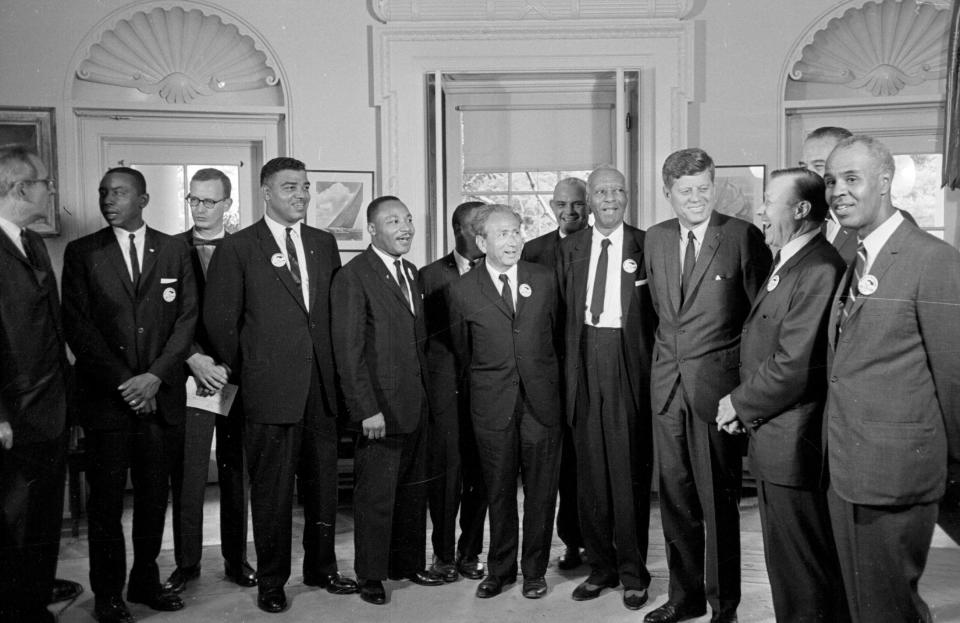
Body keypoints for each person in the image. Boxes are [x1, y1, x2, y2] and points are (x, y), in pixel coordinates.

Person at [204, 157, 356, 614]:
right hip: (269, 389)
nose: (301, 195)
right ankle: (272, 580)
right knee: (271, 493)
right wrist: (252, 372)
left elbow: (329, 315)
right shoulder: (238, 247)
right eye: (290, 187)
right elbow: (220, 322)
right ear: (266, 191)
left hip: (321, 389)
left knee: (323, 485)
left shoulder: (322, 243)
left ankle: (321, 568)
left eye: (306, 187)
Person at [821, 135, 960, 623]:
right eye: (831, 180)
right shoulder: (853, 258)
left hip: (897, 476)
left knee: (890, 611)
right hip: (849, 471)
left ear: (885, 182)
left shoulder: (931, 259)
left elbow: (954, 378)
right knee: (866, 609)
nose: (838, 191)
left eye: (851, 179)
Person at [62, 167, 198, 622]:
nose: (107, 200)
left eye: (118, 192)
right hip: (108, 402)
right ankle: (107, 595)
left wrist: (156, 377)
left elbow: (186, 322)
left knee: (153, 500)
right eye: (103, 192)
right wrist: (129, 382)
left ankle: (144, 581)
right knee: (105, 506)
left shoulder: (176, 249)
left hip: (161, 400)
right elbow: (77, 327)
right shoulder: (83, 253)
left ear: (143, 198)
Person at [715, 167, 849, 622]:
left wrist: (739, 402)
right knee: (788, 568)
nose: (760, 211)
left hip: (795, 446)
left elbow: (794, 365)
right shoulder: (790, 261)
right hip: (775, 438)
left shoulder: (819, 268)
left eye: (770, 201)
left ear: (801, 209)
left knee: (801, 571)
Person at [643, 148, 771, 623]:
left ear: (713, 188)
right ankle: (684, 597)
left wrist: (744, 395)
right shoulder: (654, 240)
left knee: (718, 505)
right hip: (667, 391)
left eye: (703, 189)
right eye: (685, 191)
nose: (695, 198)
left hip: (717, 396)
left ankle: (724, 604)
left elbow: (761, 321)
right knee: (674, 501)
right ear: (668, 194)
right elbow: (654, 318)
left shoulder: (740, 236)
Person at [448, 204, 563, 600]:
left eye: (517, 231)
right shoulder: (463, 290)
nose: (513, 239)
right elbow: (464, 355)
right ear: (482, 242)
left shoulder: (544, 279)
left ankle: (534, 571)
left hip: (542, 404)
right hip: (492, 406)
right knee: (497, 491)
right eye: (503, 234)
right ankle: (500, 570)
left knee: (541, 493)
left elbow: (558, 339)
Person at [332, 196, 442, 605]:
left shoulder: (410, 272)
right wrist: (366, 409)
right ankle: (371, 575)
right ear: (373, 229)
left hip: (416, 406)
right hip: (379, 410)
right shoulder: (353, 276)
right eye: (394, 221)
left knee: (412, 493)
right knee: (376, 496)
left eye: (409, 220)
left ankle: (407, 564)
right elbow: (349, 351)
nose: (405, 227)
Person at [556, 166, 657, 611]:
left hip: (627, 363)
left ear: (627, 196)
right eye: (601, 191)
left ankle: (634, 574)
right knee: (590, 477)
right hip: (582, 362)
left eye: (617, 190)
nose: (609, 198)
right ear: (589, 200)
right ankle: (601, 568)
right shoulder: (571, 248)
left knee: (628, 474)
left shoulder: (648, 243)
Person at [163, 168, 254, 594]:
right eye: (193, 200)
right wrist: (195, 358)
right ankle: (187, 564)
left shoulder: (246, 248)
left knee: (236, 473)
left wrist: (230, 366)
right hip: (189, 377)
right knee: (189, 473)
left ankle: (237, 560)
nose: (200, 209)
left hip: (236, 376)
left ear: (227, 205)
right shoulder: (167, 250)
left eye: (209, 201)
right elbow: (165, 319)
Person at [0, 145, 70, 622]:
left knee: (43, 515)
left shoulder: (33, 242)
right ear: (21, 188)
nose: (51, 188)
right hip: (15, 413)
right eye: (44, 181)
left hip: (51, 405)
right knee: (14, 520)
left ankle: (36, 599)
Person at [520, 177, 588, 569]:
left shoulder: (600, 244)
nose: (570, 212)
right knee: (555, 465)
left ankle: (587, 539)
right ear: (551, 205)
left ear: (589, 206)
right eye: (562, 204)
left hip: (590, 368)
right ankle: (565, 542)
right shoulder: (533, 250)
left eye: (577, 204)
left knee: (585, 464)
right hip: (547, 372)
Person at [421, 200, 489, 582]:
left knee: (480, 475)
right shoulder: (429, 276)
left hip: (485, 393)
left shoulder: (501, 272)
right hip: (445, 393)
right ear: (458, 230)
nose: (484, 233)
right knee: (445, 476)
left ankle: (470, 553)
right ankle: (443, 553)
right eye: (477, 226)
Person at [800, 125, 915, 264]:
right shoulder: (810, 221)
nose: (807, 174)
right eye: (804, 167)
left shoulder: (892, 222)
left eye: (819, 166)